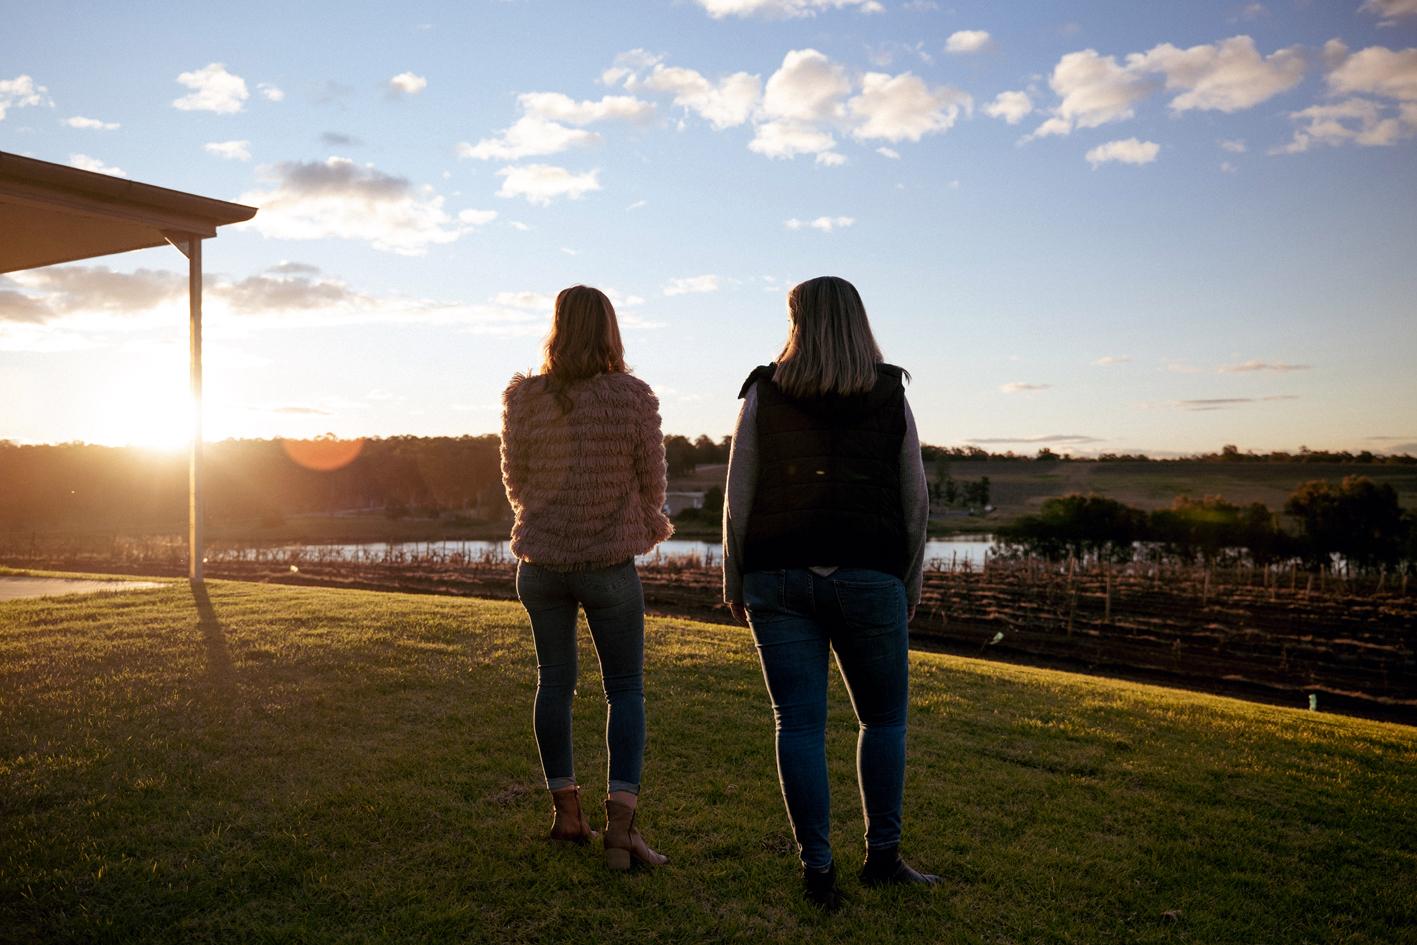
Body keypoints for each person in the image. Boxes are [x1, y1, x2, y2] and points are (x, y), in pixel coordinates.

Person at [722, 275, 934, 911]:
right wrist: (910, 579)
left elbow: (739, 495)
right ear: (858, 320)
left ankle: (818, 872)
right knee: (883, 720)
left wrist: (735, 578)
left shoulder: (762, 389)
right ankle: (884, 859)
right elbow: (914, 498)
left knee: (799, 725)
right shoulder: (890, 391)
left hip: (778, 576)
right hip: (871, 575)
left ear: (797, 321)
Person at [500, 284, 673, 871]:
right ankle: (621, 834)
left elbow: (515, 481)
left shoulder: (524, 398)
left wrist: (552, 524)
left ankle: (567, 817)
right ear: (608, 329)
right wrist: (637, 528)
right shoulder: (631, 396)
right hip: (607, 567)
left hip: (541, 566)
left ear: (556, 326)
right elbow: (653, 483)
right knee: (624, 689)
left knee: (555, 684)